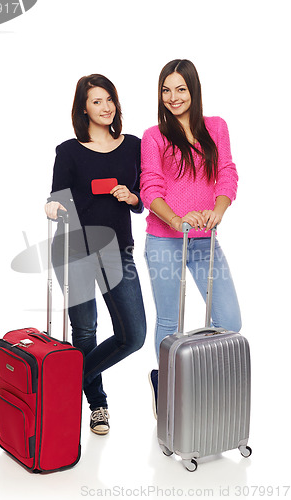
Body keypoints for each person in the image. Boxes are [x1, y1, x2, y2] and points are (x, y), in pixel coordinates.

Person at [45, 74, 146, 435]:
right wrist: (52, 206)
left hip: (119, 250)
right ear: (83, 109)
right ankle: (98, 404)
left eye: (109, 100)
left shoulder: (133, 145)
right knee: (85, 331)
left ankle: (61, 384)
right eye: (96, 102)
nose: (105, 107)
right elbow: (57, 196)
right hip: (74, 250)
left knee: (133, 336)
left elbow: (144, 195)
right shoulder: (68, 150)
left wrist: (132, 198)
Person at [140, 59, 241, 419]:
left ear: (193, 90)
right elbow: (150, 187)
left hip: (204, 242)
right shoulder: (155, 136)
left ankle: (199, 381)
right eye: (166, 90)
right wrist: (178, 220)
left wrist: (218, 210)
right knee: (169, 323)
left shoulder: (216, 127)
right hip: (165, 240)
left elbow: (227, 174)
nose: (173, 97)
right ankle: (166, 386)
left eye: (180, 89)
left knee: (228, 319)